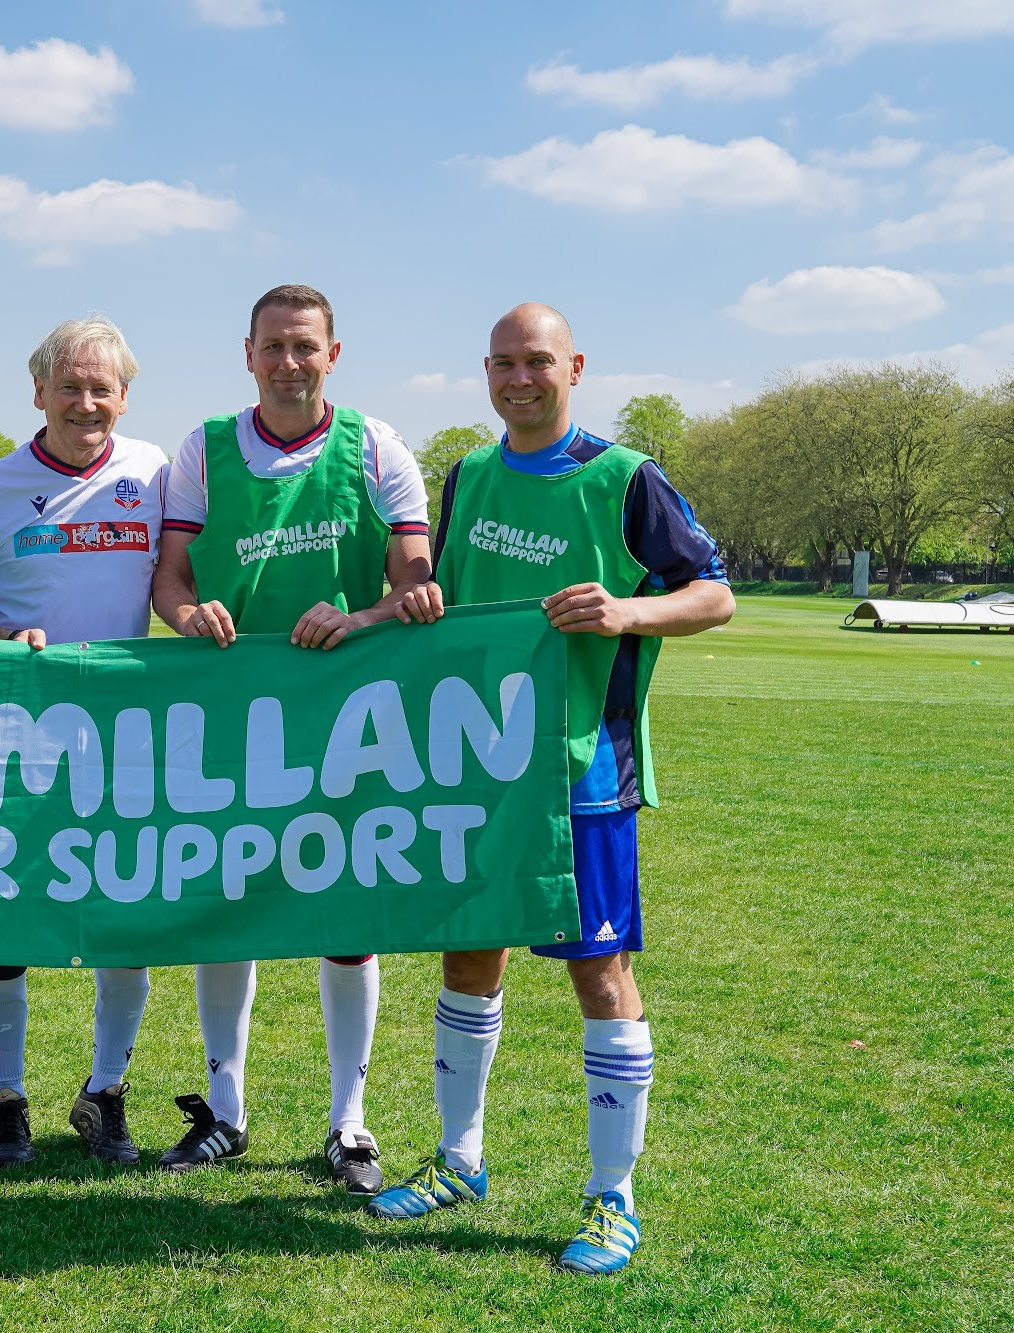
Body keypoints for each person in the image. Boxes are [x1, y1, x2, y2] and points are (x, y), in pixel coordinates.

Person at [366, 303, 733, 1276]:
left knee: (596, 971)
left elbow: (713, 592)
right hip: (474, 765)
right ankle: (457, 1159)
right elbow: (446, 599)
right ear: (484, 372)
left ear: (572, 366)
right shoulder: (469, 476)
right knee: (464, 954)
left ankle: (611, 1198)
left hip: (579, 766)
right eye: (501, 363)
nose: (517, 378)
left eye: (536, 361)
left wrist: (625, 609)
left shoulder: (622, 479)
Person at [150, 284, 432, 1191]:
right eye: (273, 345)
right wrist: (190, 614)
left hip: (345, 723)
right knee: (227, 905)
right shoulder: (203, 447)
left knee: (346, 922)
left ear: (332, 353)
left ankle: (349, 1123)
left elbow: (419, 592)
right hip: (232, 717)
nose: (289, 361)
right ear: (248, 352)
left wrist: (361, 616)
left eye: (305, 346)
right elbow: (171, 579)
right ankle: (224, 1112)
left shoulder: (379, 445)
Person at [0, 316, 168, 1168]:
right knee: (7, 910)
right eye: (68, 386)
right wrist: (7, 644)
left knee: (124, 912)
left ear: (124, 395)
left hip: (127, 731)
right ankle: (7, 1096)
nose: (86, 402)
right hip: (20, 734)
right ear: (36, 391)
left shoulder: (154, 471)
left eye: (101, 387)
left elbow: (182, 580)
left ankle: (106, 1091)